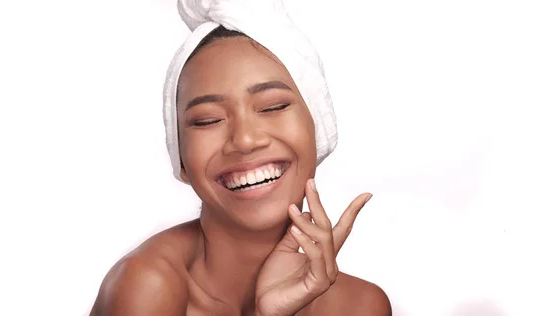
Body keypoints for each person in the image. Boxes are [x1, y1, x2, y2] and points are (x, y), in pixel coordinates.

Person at [90, 1, 391, 315]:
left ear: (318, 130)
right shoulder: (145, 287)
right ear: (181, 161)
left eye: (272, 107)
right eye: (207, 120)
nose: (245, 140)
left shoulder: (359, 306)